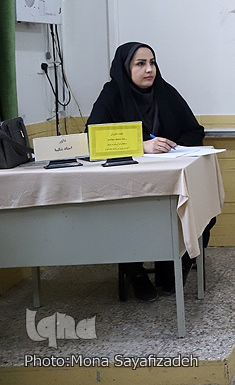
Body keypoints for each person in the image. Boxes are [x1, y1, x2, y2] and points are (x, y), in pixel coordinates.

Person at [86, 42, 212, 302]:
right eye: (140, 64)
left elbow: (194, 130)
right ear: (125, 68)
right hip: (129, 184)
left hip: (169, 179)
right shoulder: (112, 95)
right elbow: (93, 137)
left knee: (201, 205)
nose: (149, 69)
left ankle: (179, 262)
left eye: (152, 62)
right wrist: (140, 146)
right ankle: (136, 273)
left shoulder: (165, 92)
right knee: (123, 218)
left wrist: (174, 145)